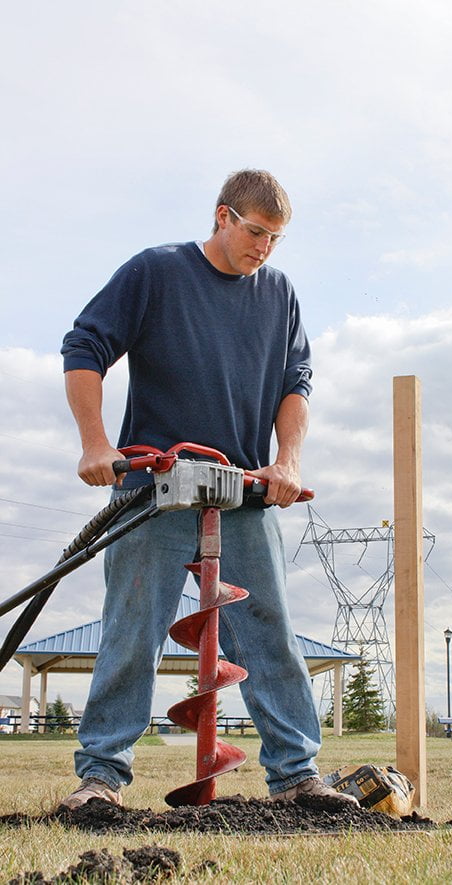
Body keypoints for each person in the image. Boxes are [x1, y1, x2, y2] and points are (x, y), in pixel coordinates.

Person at [60, 169, 357, 809]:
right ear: (222, 217)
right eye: (255, 232)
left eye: (277, 238)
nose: (264, 249)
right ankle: (101, 780)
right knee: (131, 630)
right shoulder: (155, 272)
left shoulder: (278, 292)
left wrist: (287, 462)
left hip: (244, 492)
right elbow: (85, 346)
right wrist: (95, 443)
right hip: (154, 490)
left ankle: (297, 777)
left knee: (268, 630)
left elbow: (295, 382)